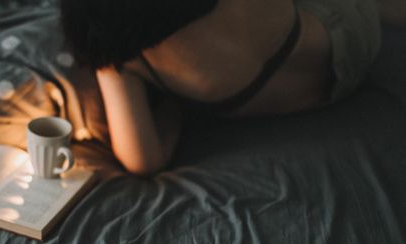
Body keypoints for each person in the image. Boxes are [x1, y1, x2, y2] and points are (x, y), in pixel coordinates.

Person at [60, 0, 405, 176]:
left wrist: (175, 109)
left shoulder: (121, 60)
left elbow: (143, 160)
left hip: (317, 97)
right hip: (353, 41)